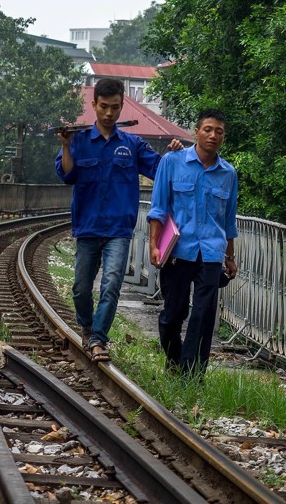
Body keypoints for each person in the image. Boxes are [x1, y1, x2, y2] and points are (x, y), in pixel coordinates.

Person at [55, 78, 182, 363]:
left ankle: (99, 339)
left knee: (111, 284)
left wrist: (172, 155)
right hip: (87, 226)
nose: (109, 113)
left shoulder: (133, 144)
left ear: (122, 105)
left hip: (118, 229)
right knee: (80, 288)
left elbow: (159, 171)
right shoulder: (80, 141)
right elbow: (66, 175)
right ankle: (87, 327)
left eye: (115, 107)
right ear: (94, 106)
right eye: (104, 107)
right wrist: (65, 146)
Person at [148, 108, 238, 378]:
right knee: (172, 316)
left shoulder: (228, 173)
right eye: (208, 130)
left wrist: (230, 257)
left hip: (211, 253)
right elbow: (158, 208)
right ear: (196, 132)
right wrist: (153, 245)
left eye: (219, 132)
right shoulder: (172, 161)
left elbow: (229, 219)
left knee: (202, 316)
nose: (213, 135)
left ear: (223, 137)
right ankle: (175, 362)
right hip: (177, 251)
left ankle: (192, 377)